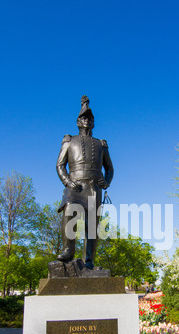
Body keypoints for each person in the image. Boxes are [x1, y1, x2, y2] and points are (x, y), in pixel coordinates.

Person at [56, 96, 114, 269]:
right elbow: (60, 165)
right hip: (74, 185)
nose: (86, 121)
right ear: (78, 122)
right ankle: (68, 250)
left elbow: (109, 168)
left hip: (94, 187)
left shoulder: (101, 144)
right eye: (83, 118)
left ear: (93, 122)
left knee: (92, 225)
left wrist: (107, 181)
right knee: (69, 215)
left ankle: (89, 261)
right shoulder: (69, 141)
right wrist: (67, 181)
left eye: (90, 118)